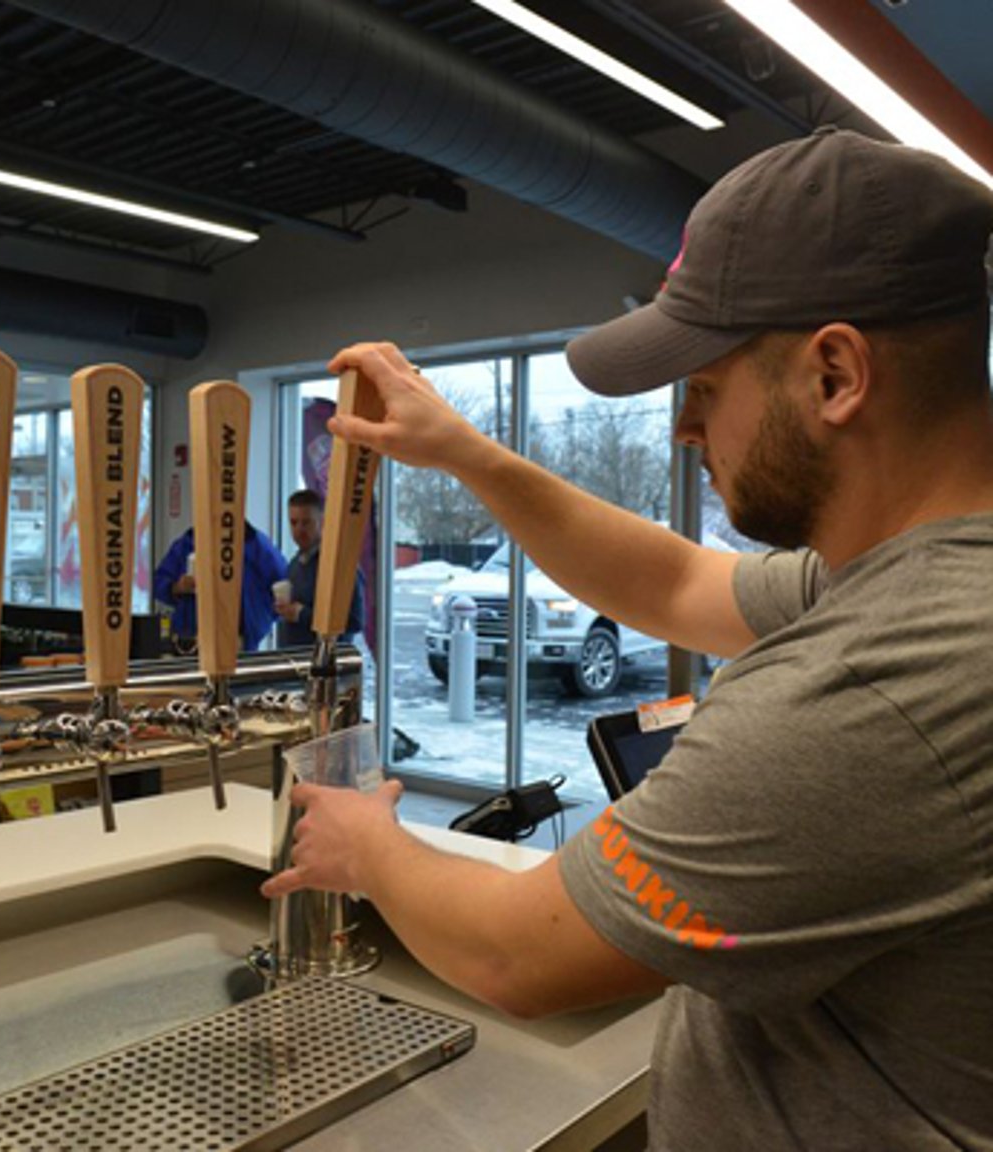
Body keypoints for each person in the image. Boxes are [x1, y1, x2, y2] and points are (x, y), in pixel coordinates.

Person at [263, 128, 993, 1149]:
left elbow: (520, 958)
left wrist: (366, 845)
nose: (688, 429)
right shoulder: (921, 580)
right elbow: (679, 580)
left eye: (706, 387)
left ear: (835, 375)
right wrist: (468, 455)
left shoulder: (880, 681)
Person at [153, 520, 287, 652]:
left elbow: (284, 590)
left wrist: (257, 626)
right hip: (192, 640)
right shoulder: (189, 543)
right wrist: (177, 587)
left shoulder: (258, 547)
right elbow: (158, 583)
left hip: (238, 641)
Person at [275, 489, 364, 646]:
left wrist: (302, 615)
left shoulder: (339, 565)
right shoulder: (294, 564)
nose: (299, 530)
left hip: (326, 666)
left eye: (306, 522)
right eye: (294, 522)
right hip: (293, 662)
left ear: (322, 522)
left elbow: (355, 621)